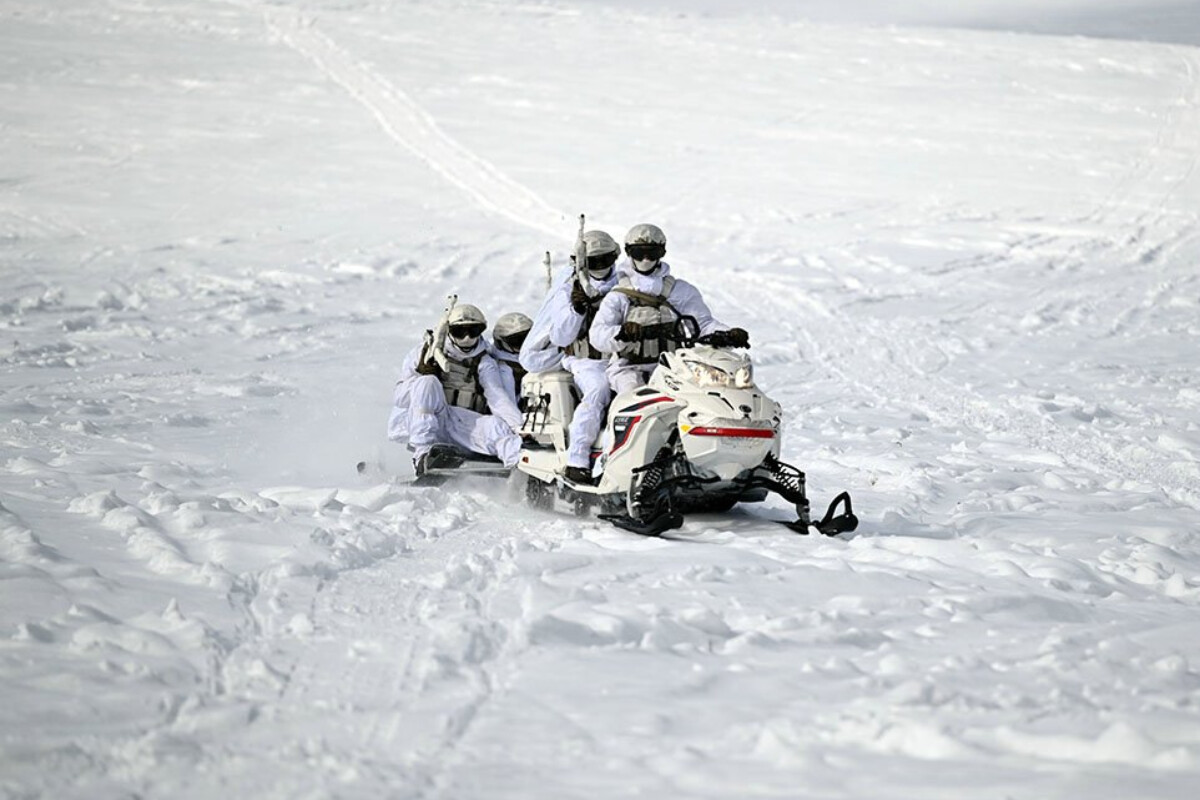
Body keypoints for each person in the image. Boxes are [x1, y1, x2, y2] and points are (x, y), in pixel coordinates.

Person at [589, 223, 749, 395]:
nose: (645, 259)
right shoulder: (619, 295)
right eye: (638, 253)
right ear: (629, 253)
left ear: (662, 253)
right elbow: (598, 334)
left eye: (652, 253)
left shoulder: (680, 291)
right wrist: (623, 333)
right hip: (629, 367)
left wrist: (727, 334)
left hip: (675, 365)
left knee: (707, 396)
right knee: (634, 399)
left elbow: (703, 324)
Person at [520, 229, 622, 484]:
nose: (600, 267)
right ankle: (577, 460)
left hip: (622, 357)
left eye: (605, 260)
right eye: (593, 262)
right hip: (586, 359)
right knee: (598, 390)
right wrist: (576, 309)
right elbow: (561, 337)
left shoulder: (624, 284)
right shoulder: (568, 289)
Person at [387, 303, 524, 475]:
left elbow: (497, 397)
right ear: (450, 331)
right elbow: (399, 398)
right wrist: (419, 377)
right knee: (427, 383)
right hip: (426, 419)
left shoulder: (484, 361)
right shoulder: (423, 353)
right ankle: (423, 456)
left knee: (497, 427)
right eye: (460, 332)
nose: (467, 339)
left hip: (459, 422)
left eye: (473, 332)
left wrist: (520, 428)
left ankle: (523, 470)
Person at [488, 311, 533, 401]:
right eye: (516, 341)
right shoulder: (493, 365)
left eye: (527, 338)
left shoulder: (540, 356)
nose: (523, 345)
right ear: (501, 342)